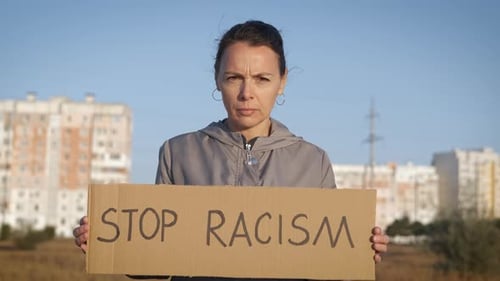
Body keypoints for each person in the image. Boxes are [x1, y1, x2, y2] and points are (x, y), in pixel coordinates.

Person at [74, 20, 389, 279]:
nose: (246, 93)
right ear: (217, 79)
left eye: (262, 79)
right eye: (234, 78)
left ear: (282, 82)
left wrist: (362, 249)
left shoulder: (314, 161)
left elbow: (328, 262)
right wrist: (110, 242)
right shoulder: (178, 152)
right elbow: (158, 263)